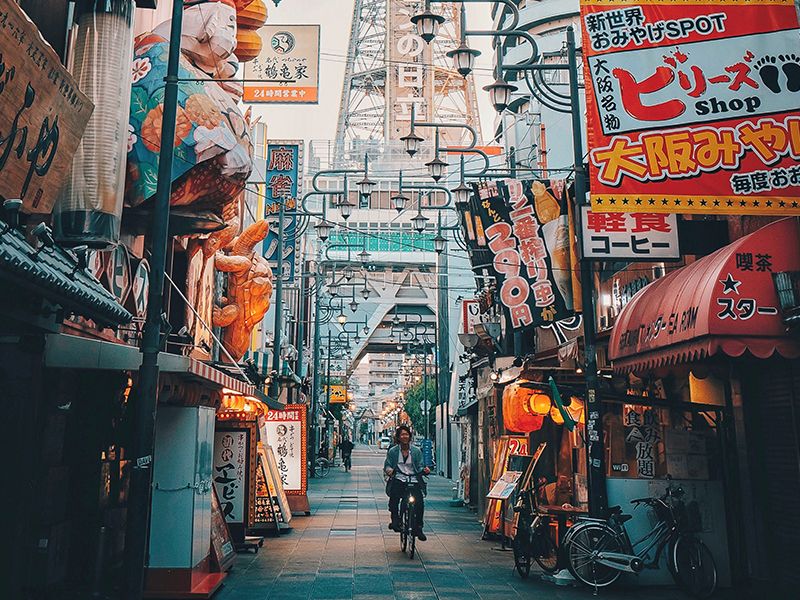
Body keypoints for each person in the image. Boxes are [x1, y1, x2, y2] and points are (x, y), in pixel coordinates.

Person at [384, 425, 430, 541]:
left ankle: (418, 527)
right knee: (394, 498)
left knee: (419, 502)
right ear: (398, 437)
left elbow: (420, 465)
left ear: (410, 436)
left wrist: (424, 471)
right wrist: (389, 470)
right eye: (402, 435)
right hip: (399, 478)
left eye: (406, 434)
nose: (405, 437)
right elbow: (388, 464)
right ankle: (395, 520)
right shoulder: (393, 451)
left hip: (413, 479)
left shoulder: (416, 451)